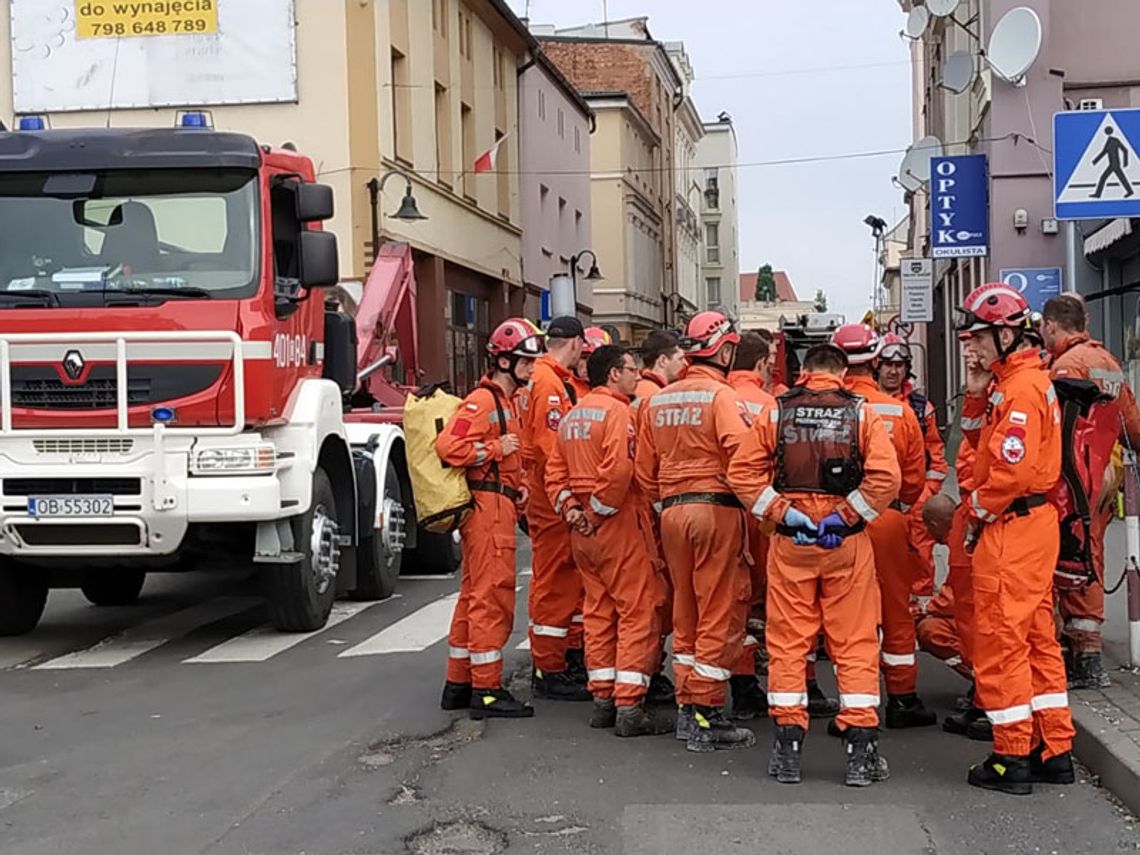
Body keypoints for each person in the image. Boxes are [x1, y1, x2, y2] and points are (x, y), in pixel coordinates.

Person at [728, 343, 900, 786]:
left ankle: (787, 747)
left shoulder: (777, 413)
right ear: (841, 374)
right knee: (856, 641)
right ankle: (861, 749)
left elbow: (742, 474)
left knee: (788, 643)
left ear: (804, 373)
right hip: (845, 543)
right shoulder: (861, 414)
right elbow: (886, 479)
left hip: (792, 543)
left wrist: (784, 512)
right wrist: (844, 516)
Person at [957, 282, 1076, 795]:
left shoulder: (1022, 388)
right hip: (1030, 525)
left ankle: (1011, 757)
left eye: (980, 338)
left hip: (1012, 527)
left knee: (1001, 642)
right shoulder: (1017, 381)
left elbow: (1008, 468)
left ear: (1006, 334)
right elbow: (975, 436)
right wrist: (979, 384)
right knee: (1036, 639)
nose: (972, 347)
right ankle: (1055, 749)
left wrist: (977, 511)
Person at [635, 311, 756, 752]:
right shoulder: (722, 397)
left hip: (673, 514)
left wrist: (669, 496)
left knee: (685, 610)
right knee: (719, 609)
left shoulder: (659, 400)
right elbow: (743, 459)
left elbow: (643, 471)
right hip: (716, 510)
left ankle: (689, 705)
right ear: (723, 350)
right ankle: (707, 712)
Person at [546, 345, 670, 737]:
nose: (638, 376)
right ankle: (630, 705)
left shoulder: (572, 416)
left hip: (582, 531)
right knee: (638, 610)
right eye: (632, 369)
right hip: (617, 524)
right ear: (614, 374)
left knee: (598, 611)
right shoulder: (619, 413)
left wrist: (574, 514)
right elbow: (618, 470)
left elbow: (554, 474)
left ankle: (602, 699)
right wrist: (597, 514)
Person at [728, 332, 840, 720]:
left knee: (732, 607)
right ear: (762, 365)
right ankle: (805, 686)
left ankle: (741, 689)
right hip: (774, 520)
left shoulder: (717, 398)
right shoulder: (771, 405)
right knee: (793, 613)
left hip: (728, 514)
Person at [831, 324, 937, 730]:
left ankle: (851, 705)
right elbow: (913, 480)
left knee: (845, 613)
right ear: (875, 362)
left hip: (839, 522)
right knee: (896, 608)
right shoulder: (900, 411)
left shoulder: (823, 408)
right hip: (888, 518)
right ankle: (903, 699)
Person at [437, 318, 544, 719]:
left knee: (473, 595)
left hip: (496, 504)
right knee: (490, 597)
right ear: (503, 361)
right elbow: (449, 446)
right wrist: (495, 449)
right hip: (486, 510)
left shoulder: (505, 401)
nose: (532, 370)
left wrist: (517, 485)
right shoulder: (484, 401)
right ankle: (486, 689)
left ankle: (458, 683)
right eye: (525, 362)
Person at [1040, 293, 1140, 689]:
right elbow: (1133, 426)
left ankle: (1072, 655)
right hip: (1104, 473)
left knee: (1061, 559)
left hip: (1069, 477)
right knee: (1089, 556)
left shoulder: (1062, 368)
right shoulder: (1110, 364)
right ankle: (1088, 654)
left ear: (1050, 326)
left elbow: (1048, 429)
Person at [518, 315, 592, 702]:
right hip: (550, 494)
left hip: (548, 490)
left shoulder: (548, 377)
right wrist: (569, 492)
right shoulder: (548, 382)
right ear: (577, 343)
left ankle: (565, 656)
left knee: (568, 578)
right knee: (554, 578)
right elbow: (552, 445)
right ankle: (549, 667)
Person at [631, 329, 688, 705]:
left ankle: (647, 673)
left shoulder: (641, 397)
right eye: (680, 357)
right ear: (662, 361)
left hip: (647, 510)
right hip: (654, 512)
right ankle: (649, 675)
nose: (685, 363)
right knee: (656, 599)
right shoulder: (654, 398)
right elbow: (648, 463)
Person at [878, 334, 949, 601]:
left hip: (914, 497)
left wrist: (925, 494)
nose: (893, 371)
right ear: (877, 366)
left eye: (899, 365)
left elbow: (936, 455)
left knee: (920, 548)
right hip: (878, 496)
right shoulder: (864, 403)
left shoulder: (921, 408)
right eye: (887, 364)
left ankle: (919, 603)